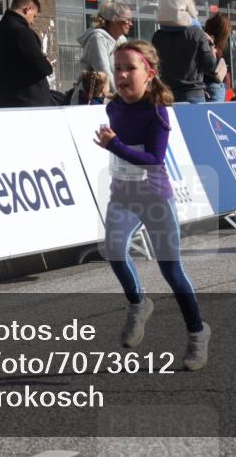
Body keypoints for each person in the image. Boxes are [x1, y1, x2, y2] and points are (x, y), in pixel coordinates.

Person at [94, 40, 210, 371]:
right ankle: (138, 303)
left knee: (171, 270)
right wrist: (115, 145)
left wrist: (114, 145)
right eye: (117, 68)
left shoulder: (157, 112)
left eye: (130, 68)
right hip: (122, 196)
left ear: (149, 73)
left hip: (154, 197)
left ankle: (197, 333)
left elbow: (154, 159)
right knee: (114, 251)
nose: (121, 75)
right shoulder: (114, 108)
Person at [152, 0, 215, 104]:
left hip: (167, 95)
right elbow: (210, 66)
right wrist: (211, 46)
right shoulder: (197, 33)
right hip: (193, 94)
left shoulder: (158, 36)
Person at [0, 0, 53, 107]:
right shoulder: (22, 32)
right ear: (27, 9)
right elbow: (43, 68)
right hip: (29, 100)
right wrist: (46, 63)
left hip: (5, 98)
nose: (32, 22)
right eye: (34, 16)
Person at [76, 0, 133, 97]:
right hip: (93, 99)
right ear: (115, 19)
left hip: (112, 98)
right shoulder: (97, 38)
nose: (131, 24)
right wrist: (123, 96)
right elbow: (104, 72)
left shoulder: (122, 40)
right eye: (127, 20)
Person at [203, 13, 231, 102]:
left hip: (212, 84)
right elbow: (212, 63)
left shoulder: (208, 40)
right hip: (215, 85)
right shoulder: (214, 42)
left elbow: (211, 63)